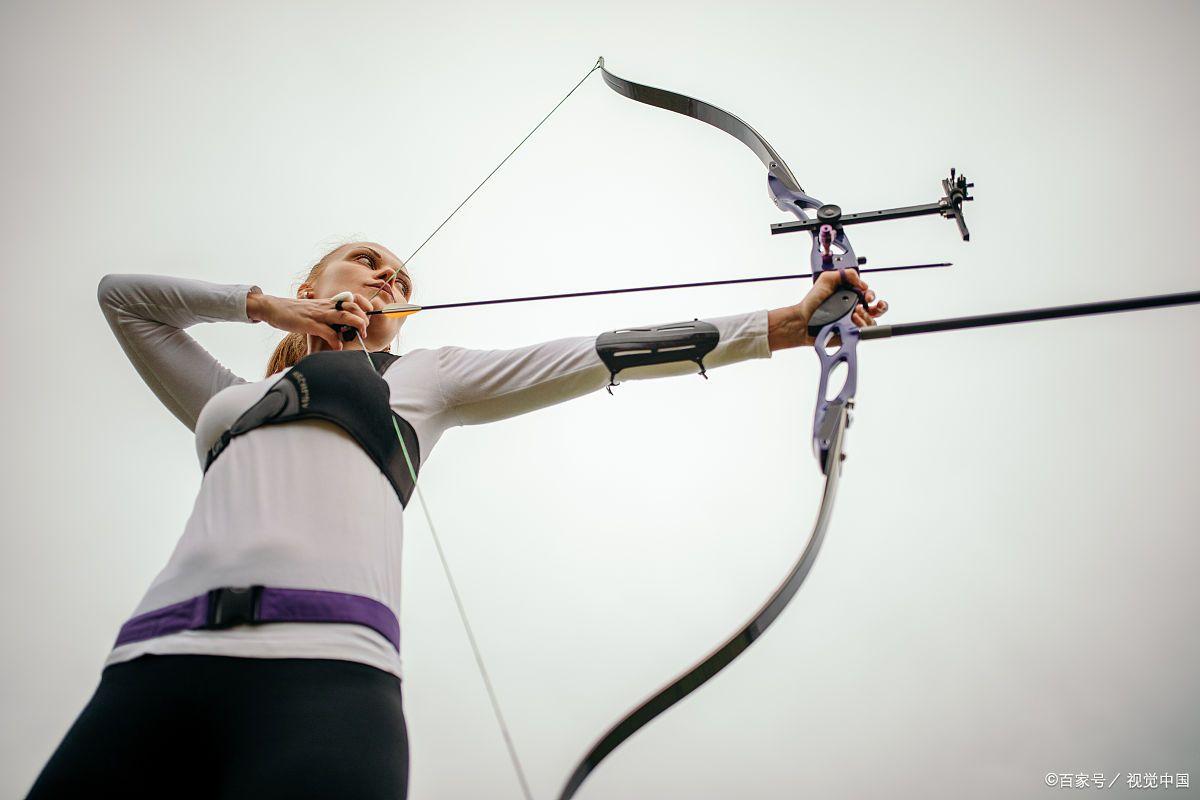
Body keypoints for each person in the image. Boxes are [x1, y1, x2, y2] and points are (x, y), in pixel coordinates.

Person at [25, 240, 886, 799]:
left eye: (400, 281)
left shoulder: (425, 376)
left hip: (326, 682)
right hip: (153, 665)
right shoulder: (223, 398)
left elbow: (598, 353)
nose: (387, 277)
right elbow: (122, 296)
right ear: (311, 285)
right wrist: (264, 309)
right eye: (366, 261)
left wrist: (785, 322)